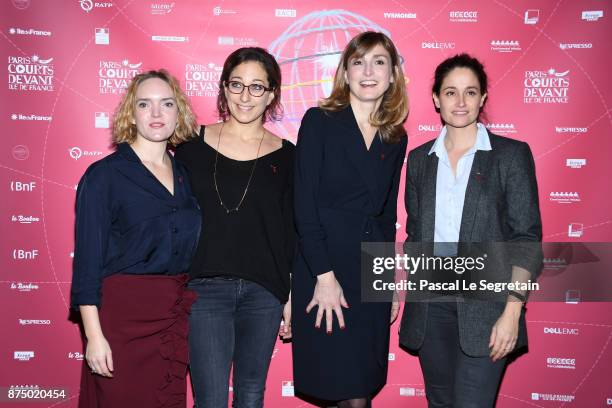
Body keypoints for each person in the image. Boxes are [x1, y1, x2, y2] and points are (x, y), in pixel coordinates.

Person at [398, 54, 543, 407]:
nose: (460, 102)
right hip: (431, 309)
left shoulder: (510, 156)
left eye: (470, 92)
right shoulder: (419, 160)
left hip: (489, 308)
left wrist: (512, 312)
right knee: (440, 403)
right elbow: (415, 236)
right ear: (435, 98)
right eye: (450, 92)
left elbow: (526, 240)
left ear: (482, 99)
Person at [291, 31, 409, 407]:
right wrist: (324, 277)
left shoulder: (395, 136)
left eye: (379, 62)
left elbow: (387, 214)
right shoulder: (320, 121)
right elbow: (303, 205)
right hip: (324, 267)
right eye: (358, 62)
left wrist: (388, 281)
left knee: (359, 390)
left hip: (369, 272)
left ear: (393, 75)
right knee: (339, 389)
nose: (368, 71)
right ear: (345, 72)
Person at [70, 69, 201, 407]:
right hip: (121, 323)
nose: (156, 114)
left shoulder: (185, 175)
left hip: (172, 318)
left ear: (179, 112)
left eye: (166, 104)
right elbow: (87, 265)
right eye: (145, 104)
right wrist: (94, 336)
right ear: (131, 112)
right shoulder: (103, 176)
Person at [175, 47, 294, 408]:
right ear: (224, 88)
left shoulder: (289, 155)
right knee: (209, 399)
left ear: (272, 93)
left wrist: (289, 296)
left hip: (264, 292)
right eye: (237, 84)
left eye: (257, 87)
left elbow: (290, 231)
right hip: (204, 289)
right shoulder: (189, 146)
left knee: (251, 396)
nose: (246, 96)